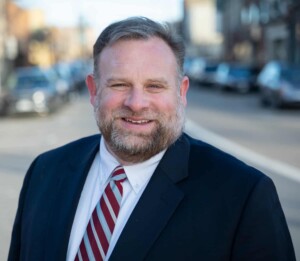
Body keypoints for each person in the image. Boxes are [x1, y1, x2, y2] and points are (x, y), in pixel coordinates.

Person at [8, 17, 295, 261]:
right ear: (94, 90)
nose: (136, 103)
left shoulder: (243, 196)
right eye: (119, 84)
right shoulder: (44, 172)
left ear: (181, 92)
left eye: (154, 86)